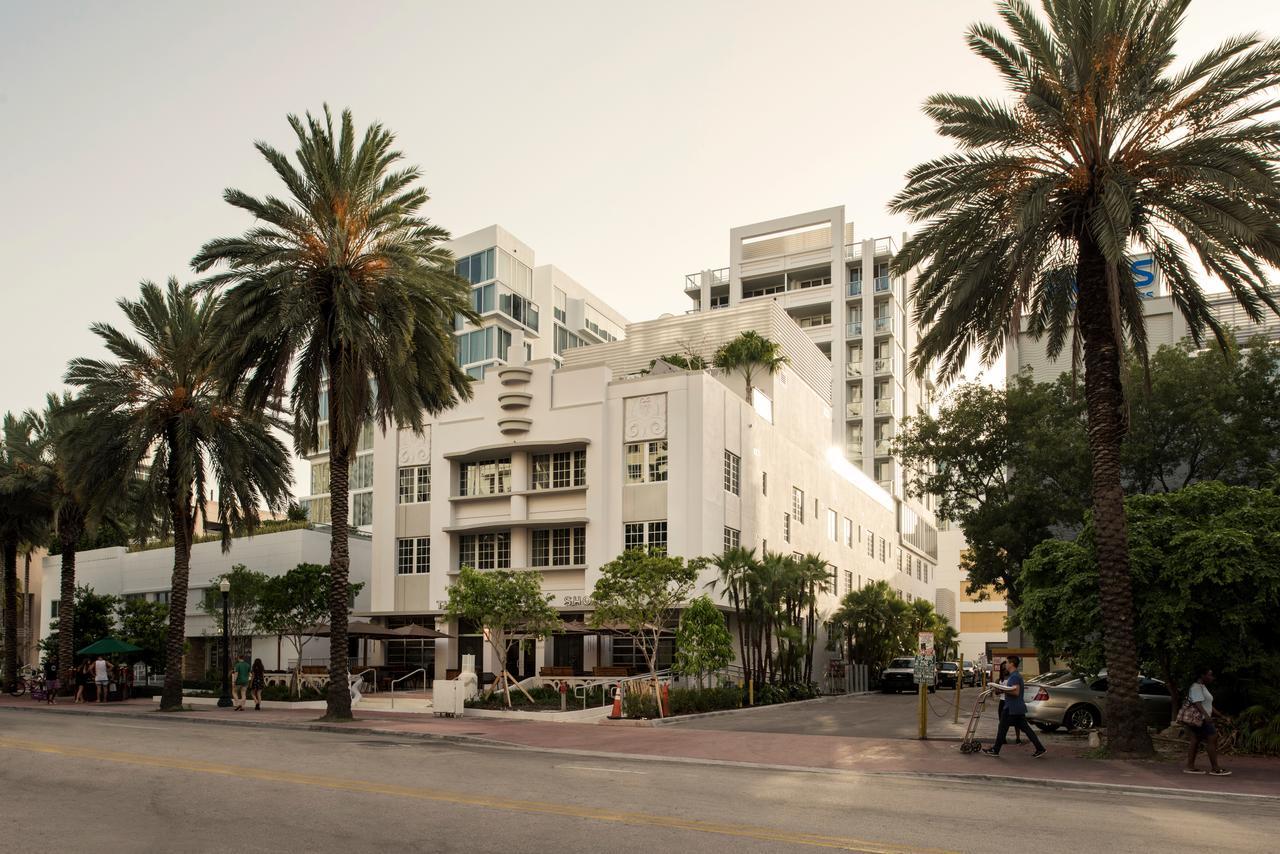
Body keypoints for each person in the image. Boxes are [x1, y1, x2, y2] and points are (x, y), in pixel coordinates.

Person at [983, 655, 1046, 758]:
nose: (1006, 665)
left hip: (1011, 708)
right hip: (1016, 708)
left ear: (1012, 664)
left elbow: (1016, 692)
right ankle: (1040, 748)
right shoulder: (1015, 675)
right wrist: (1001, 688)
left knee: (1002, 728)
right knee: (1026, 730)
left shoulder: (1014, 676)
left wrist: (1002, 689)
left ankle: (995, 750)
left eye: (1007, 663)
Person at [1184, 666, 1232, 776]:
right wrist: (1206, 715)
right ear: (1202, 675)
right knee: (1212, 737)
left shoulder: (1202, 687)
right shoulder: (1196, 687)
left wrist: (1220, 715)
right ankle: (1215, 768)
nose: (1212, 677)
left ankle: (1190, 766)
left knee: (1195, 740)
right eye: (1210, 674)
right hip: (1201, 719)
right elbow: (1198, 703)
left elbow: (1208, 704)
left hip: (1202, 718)